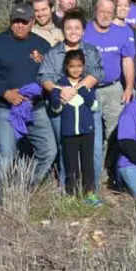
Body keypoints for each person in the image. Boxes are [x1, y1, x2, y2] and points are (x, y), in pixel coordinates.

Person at [0, 4, 56, 202]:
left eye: (24, 22)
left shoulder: (42, 45)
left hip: (35, 108)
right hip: (5, 108)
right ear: (10, 21)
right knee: (6, 154)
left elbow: (50, 74)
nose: (20, 26)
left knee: (49, 151)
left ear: (32, 22)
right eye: (16, 21)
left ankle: (23, 187)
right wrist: (5, 93)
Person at [37, 11, 105, 190]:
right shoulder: (53, 53)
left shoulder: (90, 51)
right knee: (65, 149)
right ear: (62, 30)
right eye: (68, 28)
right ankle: (67, 190)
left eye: (77, 28)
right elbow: (45, 78)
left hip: (87, 107)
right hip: (62, 106)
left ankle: (92, 191)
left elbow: (97, 74)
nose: (73, 31)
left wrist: (75, 90)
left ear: (83, 31)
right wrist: (61, 91)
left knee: (94, 150)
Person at [84, 0, 136, 183]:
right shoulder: (84, 30)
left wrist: (129, 87)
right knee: (94, 136)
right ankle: (93, 177)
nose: (105, 15)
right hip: (90, 90)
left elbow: (127, 61)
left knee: (115, 133)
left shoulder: (123, 32)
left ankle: (112, 171)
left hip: (114, 89)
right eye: (101, 10)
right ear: (95, 11)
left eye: (109, 11)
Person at [47, 50, 100, 204]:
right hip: (69, 132)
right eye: (72, 66)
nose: (76, 69)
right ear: (66, 67)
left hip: (87, 131)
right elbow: (55, 109)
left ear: (83, 67)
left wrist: (84, 92)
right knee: (71, 164)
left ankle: (89, 193)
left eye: (79, 66)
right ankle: (71, 193)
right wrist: (59, 100)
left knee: (87, 163)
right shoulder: (60, 86)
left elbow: (95, 106)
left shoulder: (87, 85)